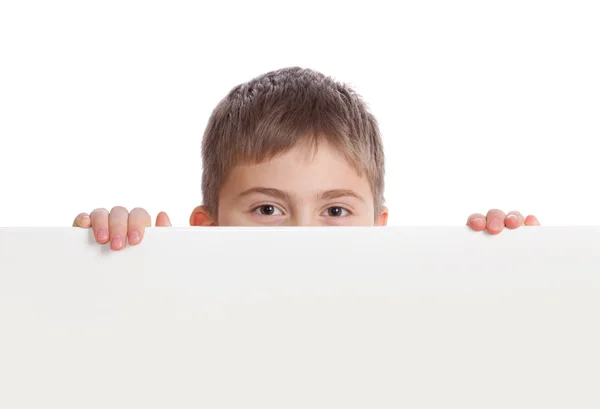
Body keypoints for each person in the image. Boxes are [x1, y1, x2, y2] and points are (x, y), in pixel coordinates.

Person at [72, 67, 540, 251]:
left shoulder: (402, 313)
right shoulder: (175, 310)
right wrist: (112, 266)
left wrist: (514, 268)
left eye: (335, 210)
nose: (302, 237)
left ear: (379, 227)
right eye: (267, 209)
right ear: (207, 228)